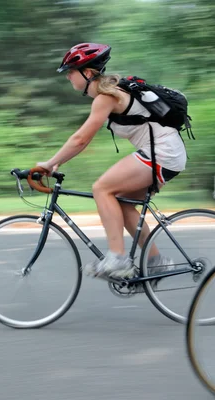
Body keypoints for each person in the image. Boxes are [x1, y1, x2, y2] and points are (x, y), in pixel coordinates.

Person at [36, 43, 186, 279]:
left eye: (70, 71)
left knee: (102, 188)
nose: (68, 77)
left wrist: (51, 163)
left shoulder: (107, 97)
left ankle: (117, 259)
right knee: (121, 202)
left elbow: (81, 139)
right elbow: (81, 139)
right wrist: (56, 163)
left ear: (87, 73)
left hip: (163, 153)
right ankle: (157, 261)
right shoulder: (111, 94)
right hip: (167, 154)